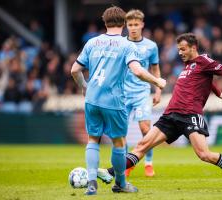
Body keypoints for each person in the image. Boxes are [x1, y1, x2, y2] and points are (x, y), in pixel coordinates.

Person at [97, 33, 222, 189]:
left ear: (193, 48)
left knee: (204, 154)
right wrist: (217, 92)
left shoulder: (205, 61)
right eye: (179, 49)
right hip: (170, 115)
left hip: (190, 114)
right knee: (141, 146)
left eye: (183, 49)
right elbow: (202, 80)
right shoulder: (189, 66)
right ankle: (110, 172)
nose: (180, 53)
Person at [71, 6, 166, 195]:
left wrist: (84, 85)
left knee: (93, 140)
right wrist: (157, 81)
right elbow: (137, 70)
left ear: (104, 23)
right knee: (119, 142)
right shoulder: (127, 45)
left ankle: (91, 183)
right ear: (123, 24)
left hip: (92, 99)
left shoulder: (92, 42)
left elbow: (74, 70)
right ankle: (121, 183)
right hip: (113, 101)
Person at [123, 9, 162, 177]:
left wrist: (158, 90)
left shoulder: (151, 46)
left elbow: (155, 69)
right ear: (126, 25)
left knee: (146, 129)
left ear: (142, 25)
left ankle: (148, 163)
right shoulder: (121, 44)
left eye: (136, 24)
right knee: (120, 133)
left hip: (142, 93)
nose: (133, 28)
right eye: (130, 24)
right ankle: (124, 165)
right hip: (122, 94)